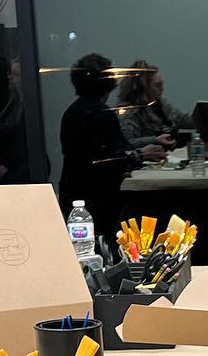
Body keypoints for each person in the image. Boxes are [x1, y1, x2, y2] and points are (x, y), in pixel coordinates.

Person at [58, 53, 162, 233]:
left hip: (72, 192)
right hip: (98, 197)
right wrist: (142, 154)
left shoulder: (71, 113)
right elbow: (112, 158)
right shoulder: (102, 114)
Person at [116, 60, 192, 152]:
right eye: (158, 85)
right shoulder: (127, 111)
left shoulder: (162, 106)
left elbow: (182, 119)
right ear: (145, 87)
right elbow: (127, 142)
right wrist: (154, 140)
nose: (162, 89)